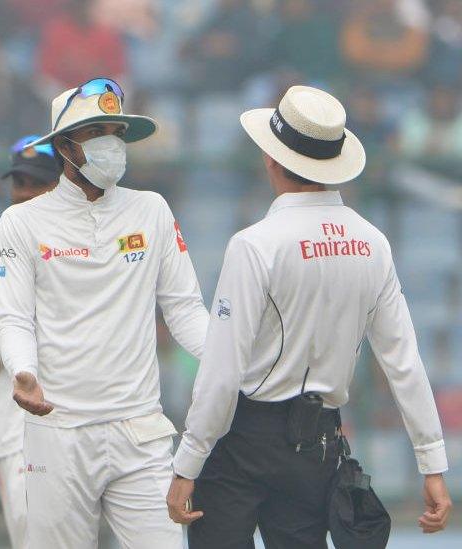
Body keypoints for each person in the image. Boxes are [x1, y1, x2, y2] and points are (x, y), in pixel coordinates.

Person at [167, 85, 453, 547]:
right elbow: (404, 361)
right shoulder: (372, 242)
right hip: (317, 443)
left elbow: (221, 372)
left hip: (242, 437)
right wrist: (432, 464)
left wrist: (186, 465)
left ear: (272, 159)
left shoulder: (255, 244)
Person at [0, 77, 209, 548]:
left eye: (115, 131)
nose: (110, 143)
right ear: (65, 146)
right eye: (95, 133)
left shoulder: (151, 209)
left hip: (140, 429)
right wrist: (24, 372)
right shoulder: (21, 221)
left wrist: (227, 360)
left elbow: (185, 309)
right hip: (59, 429)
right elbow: (13, 317)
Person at [0, 134, 61, 548]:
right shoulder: (9, 245)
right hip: (13, 428)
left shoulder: (74, 247)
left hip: (65, 418)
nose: (25, 194)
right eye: (19, 183)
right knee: (26, 534)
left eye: (37, 182)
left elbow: (14, 342)